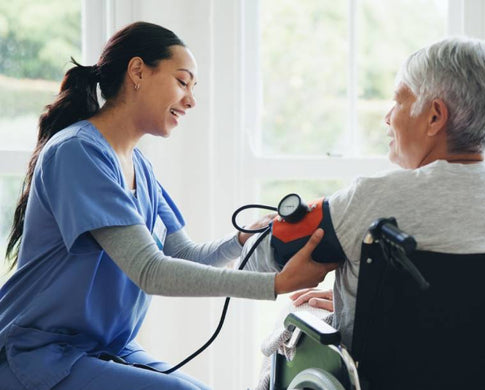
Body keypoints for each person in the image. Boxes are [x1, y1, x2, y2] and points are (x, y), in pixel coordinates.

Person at [0, 21, 336, 390]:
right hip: (36, 354)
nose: (191, 100)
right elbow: (150, 270)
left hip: (102, 348)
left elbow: (183, 254)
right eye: (182, 81)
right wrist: (277, 284)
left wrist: (240, 240)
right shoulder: (78, 151)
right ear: (138, 71)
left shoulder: (139, 166)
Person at [241, 36, 485, 350]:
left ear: (434, 117)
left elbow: (257, 260)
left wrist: (253, 234)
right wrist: (360, 306)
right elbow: (466, 315)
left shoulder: (372, 201)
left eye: (399, 100)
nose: (387, 117)